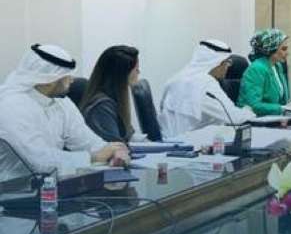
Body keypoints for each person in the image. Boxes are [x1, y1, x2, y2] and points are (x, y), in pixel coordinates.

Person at [0, 44, 129, 178]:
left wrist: (114, 151)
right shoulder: (11, 106)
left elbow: (87, 141)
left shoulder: (62, 102)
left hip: (52, 183)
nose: (72, 80)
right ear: (48, 80)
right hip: (14, 186)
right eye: (67, 75)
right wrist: (93, 157)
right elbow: (40, 162)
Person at [159, 40, 256, 137]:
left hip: (167, 138)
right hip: (187, 141)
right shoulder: (206, 84)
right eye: (227, 62)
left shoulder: (175, 78)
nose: (228, 67)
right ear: (218, 62)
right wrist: (248, 110)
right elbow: (234, 117)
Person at [79, 45, 140, 143]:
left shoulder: (114, 101)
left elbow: (128, 135)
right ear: (122, 74)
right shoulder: (102, 107)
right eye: (136, 69)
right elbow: (115, 147)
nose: (138, 72)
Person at [239, 29, 291, 116]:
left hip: (273, 118)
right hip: (253, 118)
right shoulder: (257, 69)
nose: (287, 53)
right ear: (271, 49)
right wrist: (282, 109)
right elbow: (254, 105)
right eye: (283, 49)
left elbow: (281, 100)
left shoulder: (277, 66)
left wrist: (289, 106)